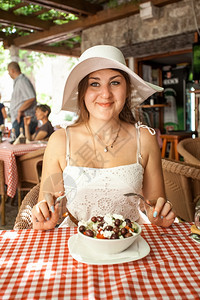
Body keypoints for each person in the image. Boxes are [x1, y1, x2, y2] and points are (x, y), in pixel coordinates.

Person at [32, 45, 176, 231]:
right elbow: (46, 204)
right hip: (76, 241)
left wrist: (159, 214)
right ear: (83, 91)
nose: (106, 94)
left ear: (127, 89)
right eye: (94, 83)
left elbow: (154, 204)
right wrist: (44, 217)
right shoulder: (60, 141)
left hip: (131, 240)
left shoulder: (145, 138)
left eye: (115, 83)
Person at [8, 61, 37, 137]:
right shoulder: (18, 81)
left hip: (23, 120)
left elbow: (31, 98)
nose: (9, 74)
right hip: (19, 120)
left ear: (12, 71)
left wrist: (20, 110)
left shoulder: (22, 81)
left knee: (21, 144)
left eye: (9, 71)